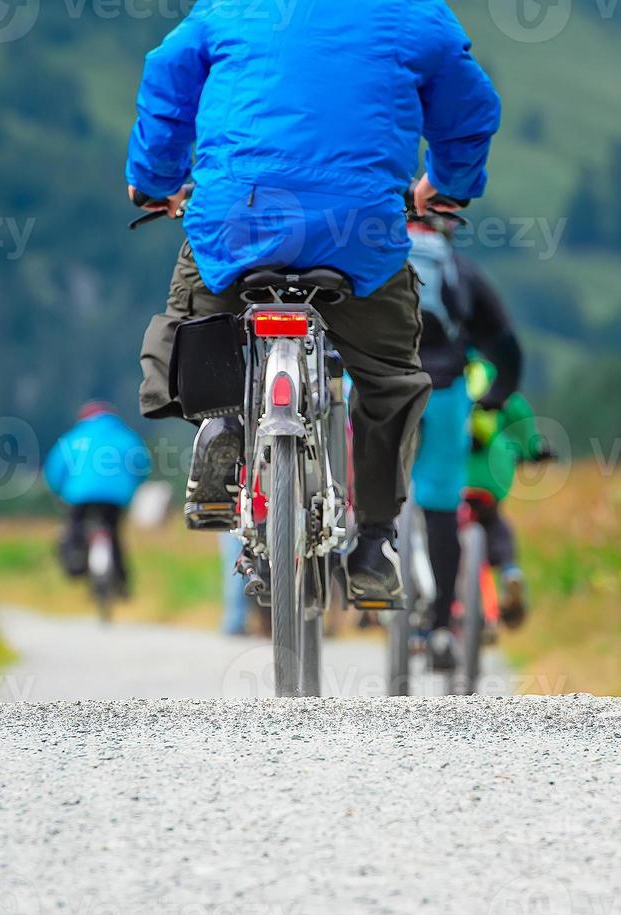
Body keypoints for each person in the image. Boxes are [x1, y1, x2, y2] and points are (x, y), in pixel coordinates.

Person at [125, 0, 501, 605]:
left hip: (238, 221)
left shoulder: (228, 8)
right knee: (390, 382)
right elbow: (472, 108)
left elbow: (167, 72)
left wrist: (155, 180)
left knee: (194, 309)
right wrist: (446, 186)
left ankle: (219, 418)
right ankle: (375, 541)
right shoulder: (415, 14)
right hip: (358, 235)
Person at [405, 214, 523, 667]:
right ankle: (438, 628)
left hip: (380, 391)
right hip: (444, 393)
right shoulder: (460, 271)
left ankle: (365, 551)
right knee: (439, 502)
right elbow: (506, 347)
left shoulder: (376, 259)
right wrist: (496, 397)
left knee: (365, 481)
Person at [466, 362, 549, 629]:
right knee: (493, 522)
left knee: (436, 527)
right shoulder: (493, 378)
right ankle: (510, 570)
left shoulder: (437, 370)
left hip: (445, 474)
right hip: (490, 474)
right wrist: (534, 448)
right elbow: (521, 416)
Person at [43, 402, 150, 595]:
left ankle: (75, 560)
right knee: (114, 532)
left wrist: (59, 491)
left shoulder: (73, 438)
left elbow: (54, 470)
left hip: (79, 494)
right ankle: (121, 582)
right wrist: (134, 486)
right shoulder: (125, 436)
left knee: (74, 526)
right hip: (117, 496)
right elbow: (142, 465)